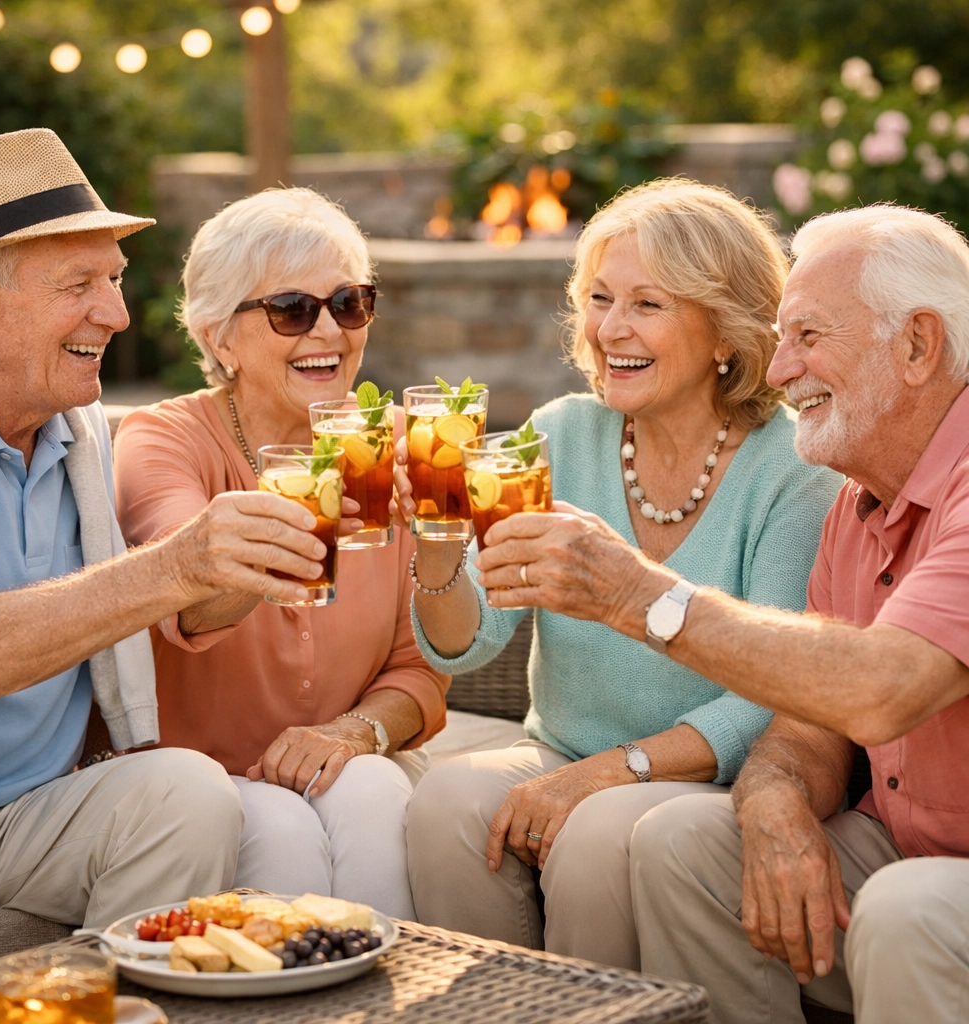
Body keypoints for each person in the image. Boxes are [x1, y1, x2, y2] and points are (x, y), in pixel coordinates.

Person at [483, 204, 969, 1023]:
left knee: (905, 909)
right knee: (682, 844)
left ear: (918, 345)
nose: (780, 371)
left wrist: (641, 598)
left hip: (933, 878)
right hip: (899, 842)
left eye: (808, 338)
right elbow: (811, 726)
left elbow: (884, 688)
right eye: (781, 339)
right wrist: (775, 799)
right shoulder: (860, 503)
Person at [399, 179, 841, 964]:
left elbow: (777, 692)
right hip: (563, 747)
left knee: (598, 832)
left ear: (726, 332)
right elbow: (465, 644)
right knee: (443, 800)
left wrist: (617, 769)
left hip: (699, 774)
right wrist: (436, 536)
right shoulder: (562, 433)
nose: (609, 329)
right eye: (599, 298)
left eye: (647, 304)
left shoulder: (794, 467)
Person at [0, 130, 335, 928]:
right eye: (79, 283)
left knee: (189, 793)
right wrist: (175, 567)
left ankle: (116, 1003)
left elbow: (190, 610)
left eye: (116, 280)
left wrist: (246, 561)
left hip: (37, 810)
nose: (117, 314)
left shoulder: (80, 431)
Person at [114, 187, 448, 920]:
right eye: (292, 309)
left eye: (350, 302)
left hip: (342, 754)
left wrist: (354, 731)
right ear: (219, 335)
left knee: (375, 790)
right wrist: (303, 520)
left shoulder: (398, 444)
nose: (327, 330)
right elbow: (189, 600)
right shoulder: (160, 441)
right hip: (197, 778)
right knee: (281, 828)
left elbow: (422, 666)